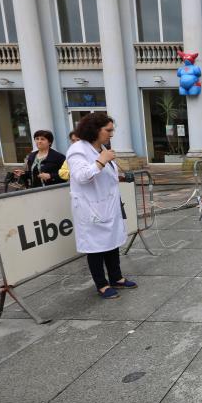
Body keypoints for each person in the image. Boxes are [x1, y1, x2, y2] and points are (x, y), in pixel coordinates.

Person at [67, 113, 136, 300]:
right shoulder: (77, 150)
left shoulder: (102, 148)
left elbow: (105, 175)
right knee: (96, 248)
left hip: (108, 206)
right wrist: (101, 160)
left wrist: (117, 175)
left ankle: (116, 277)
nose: (111, 134)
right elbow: (81, 176)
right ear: (95, 129)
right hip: (91, 209)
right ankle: (102, 284)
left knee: (111, 244)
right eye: (108, 130)